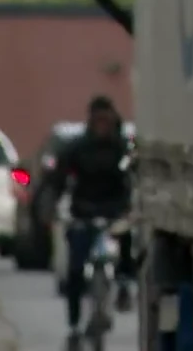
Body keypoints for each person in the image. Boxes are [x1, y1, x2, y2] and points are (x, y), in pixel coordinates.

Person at [41, 95, 135, 340]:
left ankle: (124, 283)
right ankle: (74, 323)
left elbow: (134, 179)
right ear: (91, 121)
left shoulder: (122, 148)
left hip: (115, 213)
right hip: (83, 212)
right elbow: (57, 180)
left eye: (107, 120)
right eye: (98, 120)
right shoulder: (77, 148)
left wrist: (131, 206)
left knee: (126, 242)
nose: (103, 125)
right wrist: (51, 206)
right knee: (74, 269)